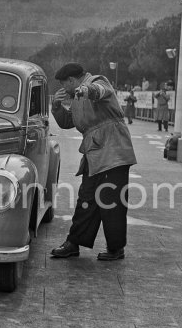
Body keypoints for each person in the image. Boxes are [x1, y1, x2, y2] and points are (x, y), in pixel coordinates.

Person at [50, 62, 137, 261]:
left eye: (65, 85)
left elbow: (100, 91)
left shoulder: (96, 81)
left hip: (113, 150)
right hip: (94, 153)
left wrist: (86, 89)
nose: (64, 89)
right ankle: (74, 242)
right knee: (87, 198)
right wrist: (56, 106)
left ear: (72, 80)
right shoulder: (76, 97)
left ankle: (115, 248)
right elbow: (67, 122)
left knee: (111, 201)